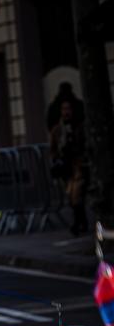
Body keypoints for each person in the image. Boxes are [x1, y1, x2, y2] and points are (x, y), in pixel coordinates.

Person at [50, 100, 89, 235]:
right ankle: (80, 222)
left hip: (78, 164)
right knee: (70, 195)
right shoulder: (58, 130)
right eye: (63, 109)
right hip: (66, 167)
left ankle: (79, 223)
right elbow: (53, 148)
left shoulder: (79, 126)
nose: (66, 112)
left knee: (76, 194)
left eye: (68, 109)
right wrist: (56, 160)